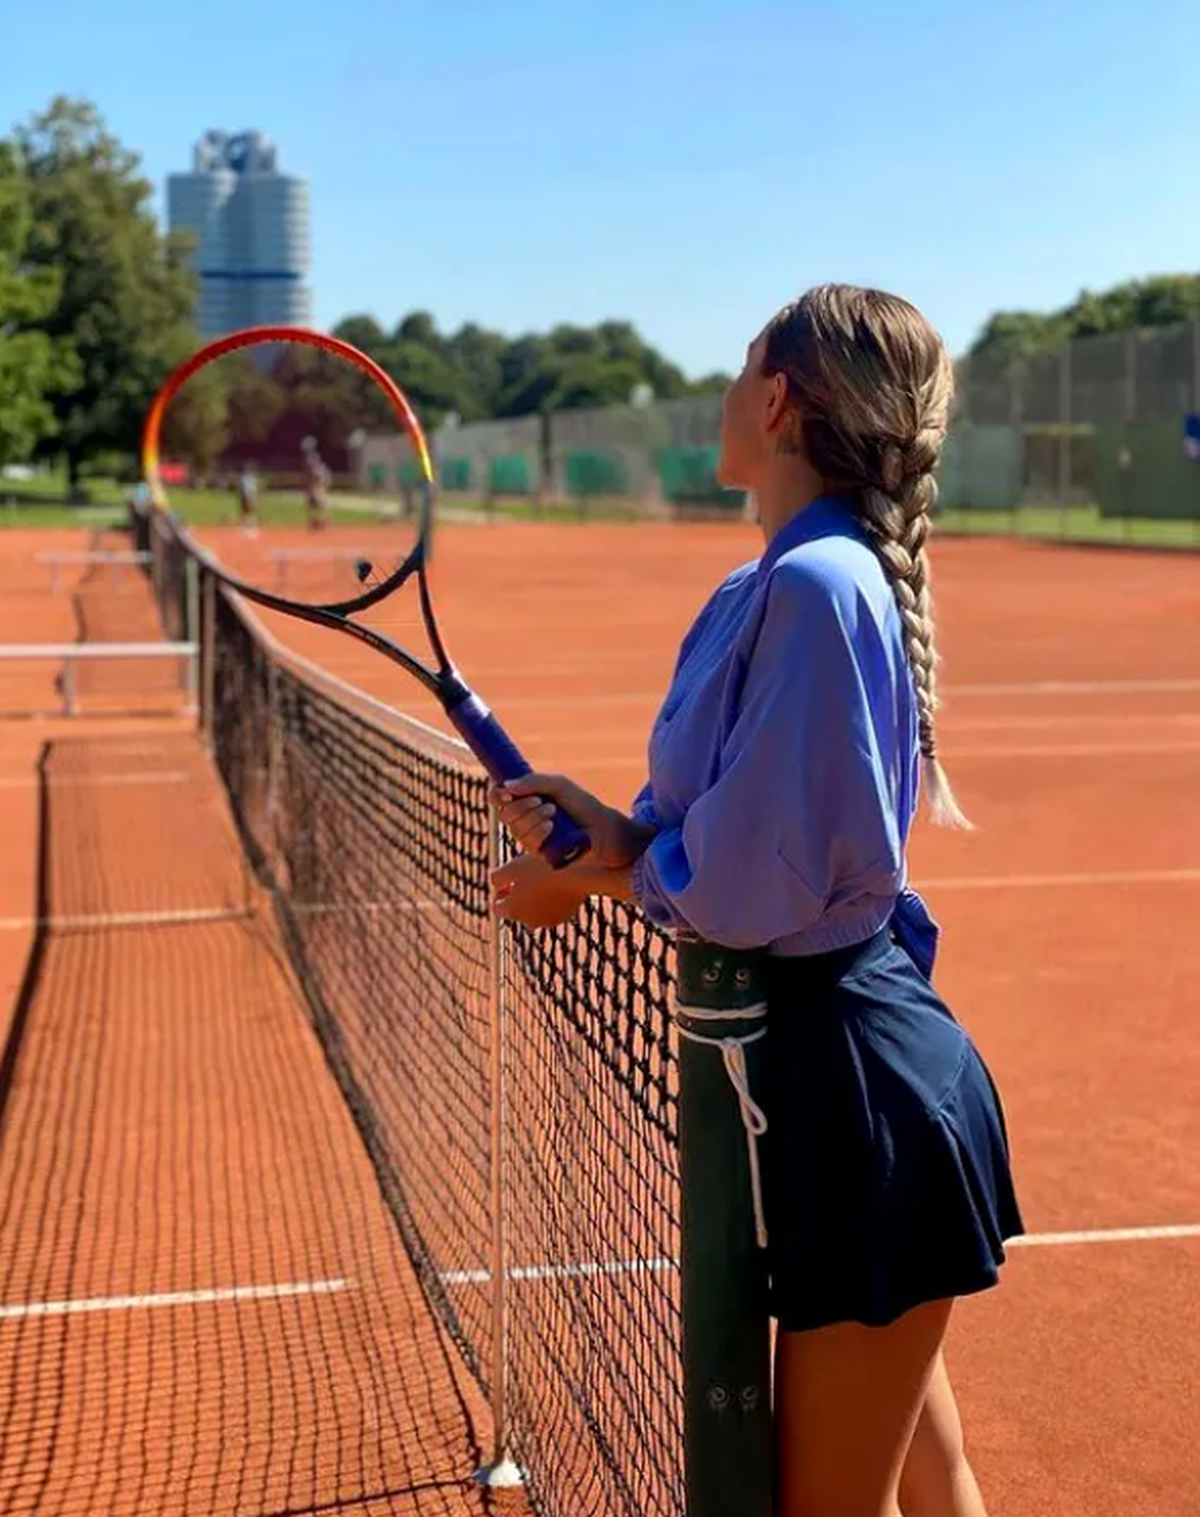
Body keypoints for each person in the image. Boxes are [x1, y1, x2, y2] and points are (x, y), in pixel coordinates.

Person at [490, 284, 1023, 1517]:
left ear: (778, 401)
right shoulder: (764, 585)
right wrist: (615, 836)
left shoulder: (818, 588)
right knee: (927, 1477)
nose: (726, 392)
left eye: (741, 371)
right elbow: (714, 827)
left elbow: (745, 886)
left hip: (859, 1095)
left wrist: (601, 875)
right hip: (814, 1076)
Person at [301, 436, 330, 531]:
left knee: (317, 503)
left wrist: (315, 484)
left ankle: (318, 522)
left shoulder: (311, 457)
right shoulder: (312, 457)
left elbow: (315, 473)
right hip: (316, 483)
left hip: (316, 483)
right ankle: (317, 522)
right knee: (316, 504)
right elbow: (313, 473)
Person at [235, 461, 259, 534]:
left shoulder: (251, 478)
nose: (247, 469)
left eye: (249, 468)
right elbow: (241, 487)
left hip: (249, 495)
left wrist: (250, 496)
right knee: (244, 511)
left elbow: (252, 488)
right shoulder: (243, 477)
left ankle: (252, 526)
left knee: (250, 511)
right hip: (243, 495)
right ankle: (244, 525)